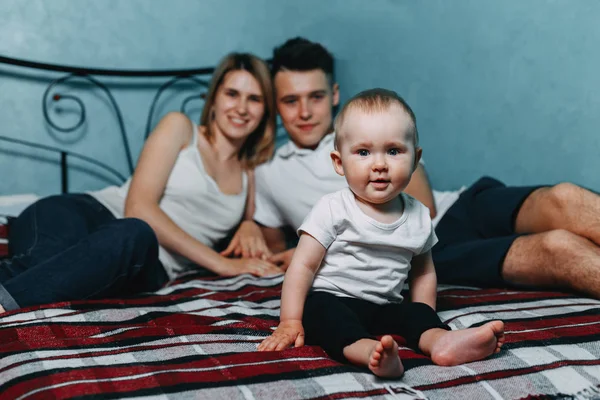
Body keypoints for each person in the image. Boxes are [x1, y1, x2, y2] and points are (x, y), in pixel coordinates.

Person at [237, 37, 600, 300]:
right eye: (290, 100)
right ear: (276, 105)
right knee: (558, 250)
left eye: (315, 97)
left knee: (564, 198)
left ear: (333, 95)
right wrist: (252, 225)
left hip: (457, 205)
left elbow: (423, 207)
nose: (304, 112)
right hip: (426, 251)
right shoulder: (269, 171)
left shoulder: (373, 127)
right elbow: (280, 250)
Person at [0, 52, 281, 314]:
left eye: (254, 99)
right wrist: (221, 263)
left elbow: (258, 226)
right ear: (214, 97)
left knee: (132, 235)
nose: (241, 108)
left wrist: (249, 224)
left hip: (144, 257)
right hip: (86, 212)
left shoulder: (252, 170)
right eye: (232, 93)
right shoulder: (180, 127)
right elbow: (138, 206)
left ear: (266, 109)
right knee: (45, 261)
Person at [257, 89, 504, 378]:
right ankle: (367, 351)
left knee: (416, 312)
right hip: (334, 298)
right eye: (363, 152)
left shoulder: (418, 215)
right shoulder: (333, 208)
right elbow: (303, 265)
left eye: (393, 151)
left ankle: (440, 341)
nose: (379, 165)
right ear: (339, 163)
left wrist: (424, 316)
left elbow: (423, 273)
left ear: (415, 159)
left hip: (386, 305)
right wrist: (289, 320)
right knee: (323, 314)